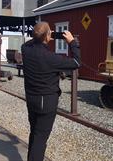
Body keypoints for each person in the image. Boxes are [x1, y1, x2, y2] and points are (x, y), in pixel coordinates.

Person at [21, 22, 81, 161]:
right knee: (41, 138)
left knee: (35, 132)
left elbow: (28, 44)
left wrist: (41, 36)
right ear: (48, 35)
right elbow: (77, 62)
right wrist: (72, 42)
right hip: (46, 102)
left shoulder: (26, 50)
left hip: (31, 99)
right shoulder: (51, 58)